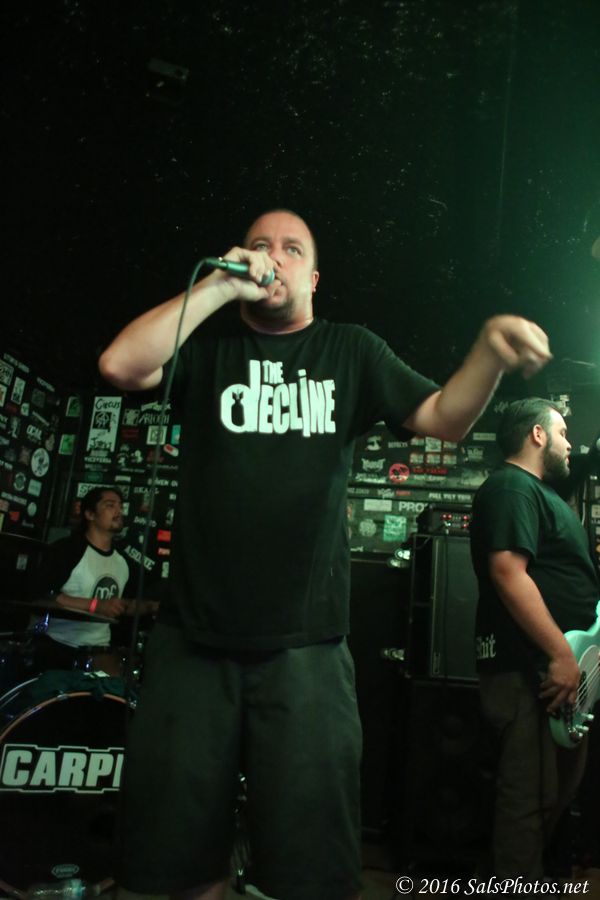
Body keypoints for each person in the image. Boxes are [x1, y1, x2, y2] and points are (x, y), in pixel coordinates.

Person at [99, 208, 552, 900]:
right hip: (192, 643)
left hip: (306, 651)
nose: (272, 256)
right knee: (180, 869)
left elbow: (443, 420)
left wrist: (488, 353)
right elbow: (120, 366)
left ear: (313, 278)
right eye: (259, 245)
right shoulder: (211, 350)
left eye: (292, 249)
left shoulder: (350, 350)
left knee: (312, 875)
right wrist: (220, 286)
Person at [470, 398, 599, 879]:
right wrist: (561, 654)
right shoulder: (511, 487)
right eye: (562, 432)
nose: (569, 443)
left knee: (553, 793)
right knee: (527, 799)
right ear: (537, 435)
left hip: (558, 670)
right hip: (530, 670)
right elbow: (508, 572)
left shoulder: (540, 494)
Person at [32, 486, 130, 675]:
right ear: (90, 514)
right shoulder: (66, 551)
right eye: (110, 505)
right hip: (59, 647)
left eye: (121, 506)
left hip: (101, 652)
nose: (119, 511)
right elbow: (42, 595)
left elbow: (127, 605)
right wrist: (95, 605)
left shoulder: (123, 563)